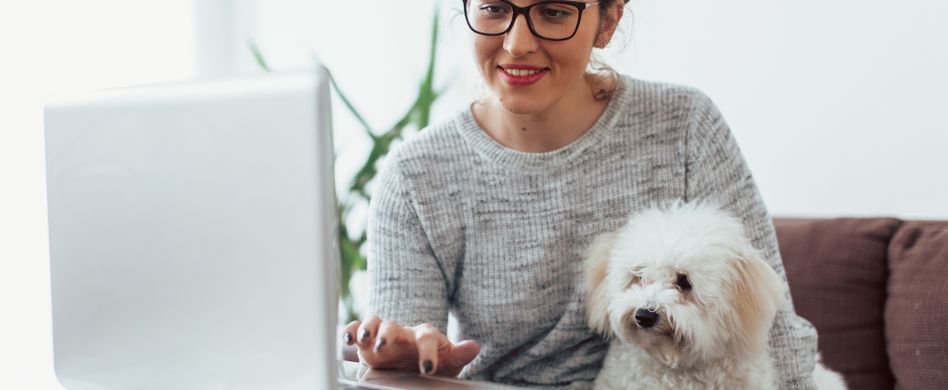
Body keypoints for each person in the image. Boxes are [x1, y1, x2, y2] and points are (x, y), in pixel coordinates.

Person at [342, 0, 820, 388]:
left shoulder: (684, 126)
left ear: (607, 21)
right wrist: (410, 364)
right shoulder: (415, 175)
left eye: (553, 12)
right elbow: (400, 360)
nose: (517, 43)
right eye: (493, 9)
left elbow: (773, 333)